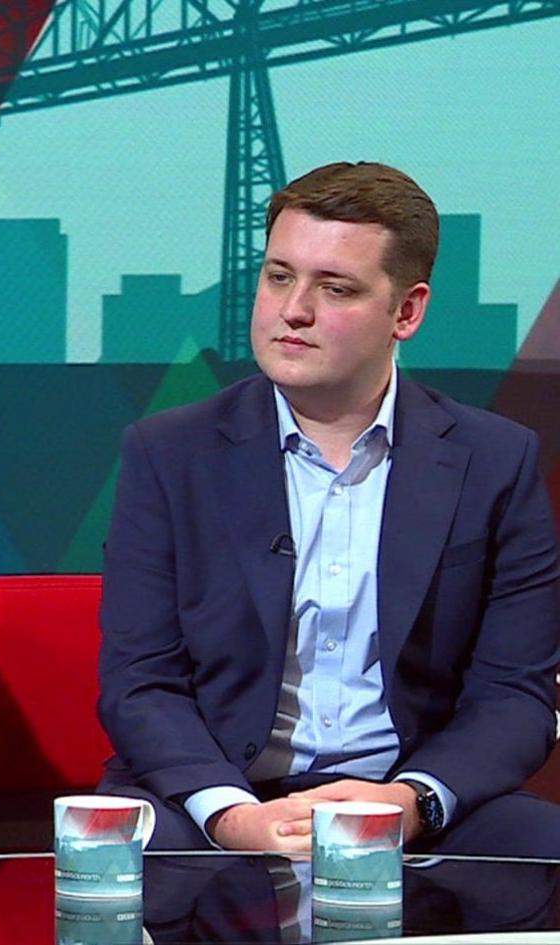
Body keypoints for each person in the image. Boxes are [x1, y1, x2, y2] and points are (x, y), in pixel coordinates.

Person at [97, 161, 560, 855]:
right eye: (279, 275)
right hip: (218, 797)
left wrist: (411, 800)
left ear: (406, 311)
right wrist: (234, 816)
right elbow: (141, 681)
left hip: (407, 796)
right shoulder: (168, 453)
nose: (293, 310)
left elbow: (517, 692)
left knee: (539, 846)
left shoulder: (495, 461)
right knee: (127, 852)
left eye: (334, 287)